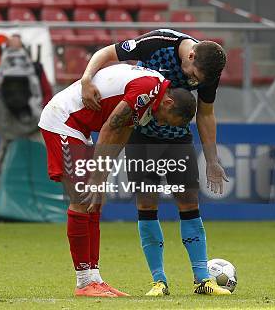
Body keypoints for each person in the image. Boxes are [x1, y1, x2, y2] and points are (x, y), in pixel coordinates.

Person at [78, 29, 230, 296]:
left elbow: (206, 113)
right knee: (146, 204)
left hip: (178, 139)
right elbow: (106, 53)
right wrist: (86, 79)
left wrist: (212, 159)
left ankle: (202, 279)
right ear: (190, 55)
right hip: (141, 137)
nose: (193, 82)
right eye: (192, 75)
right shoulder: (158, 43)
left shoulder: (208, 70)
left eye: (197, 80)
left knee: (190, 204)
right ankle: (158, 281)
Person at [38, 63, 197, 297]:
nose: (161, 124)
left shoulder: (152, 96)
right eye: (166, 120)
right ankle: (83, 282)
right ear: (169, 103)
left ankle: (94, 278)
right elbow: (110, 127)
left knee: (95, 200)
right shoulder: (147, 90)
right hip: (63, 121)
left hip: (79, 128)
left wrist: (101, 175)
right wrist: (97, 175)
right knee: (82, 198)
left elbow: (121, 132)